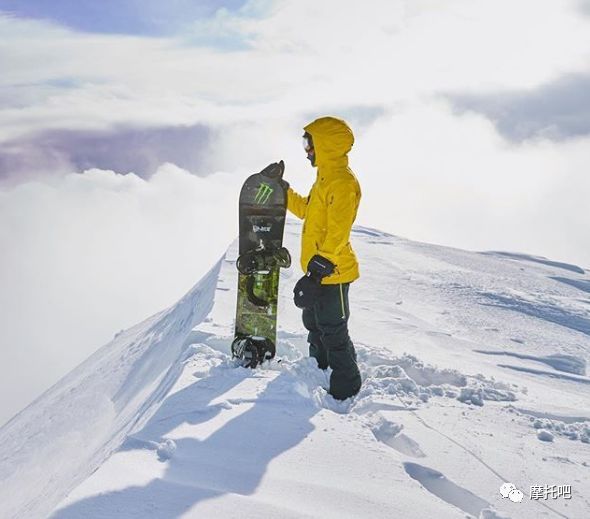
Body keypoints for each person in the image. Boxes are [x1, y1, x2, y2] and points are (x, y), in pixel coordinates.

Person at [286, 116, 362, 400]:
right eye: (305, 143)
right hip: (319, 273)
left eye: (309, 143)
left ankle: (347, 385)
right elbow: (307, 209)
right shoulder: (325, 179)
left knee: (333, 329)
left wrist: (318, 273)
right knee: (315, 324)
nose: (306, 150)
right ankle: (319, 368)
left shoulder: (342, 182)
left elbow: (338, 232)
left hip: (335, 272)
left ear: (325, 144)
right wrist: (283, 191)